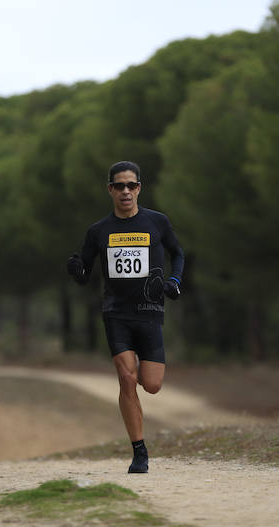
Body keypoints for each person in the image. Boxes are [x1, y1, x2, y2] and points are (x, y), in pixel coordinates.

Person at [66, 161, 184, 473]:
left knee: (152, 384)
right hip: (115, 313)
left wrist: (174, 282)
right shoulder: (98, 231)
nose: (126, 191)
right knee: (127, 378)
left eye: (131, 185)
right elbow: (84, 271)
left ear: (139, 188)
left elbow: (178, 253)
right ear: (110, 190)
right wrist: (76, 269)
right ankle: (139, 452)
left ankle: (140, 442)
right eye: (119, 186)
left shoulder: (157, 222)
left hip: (150, 312)